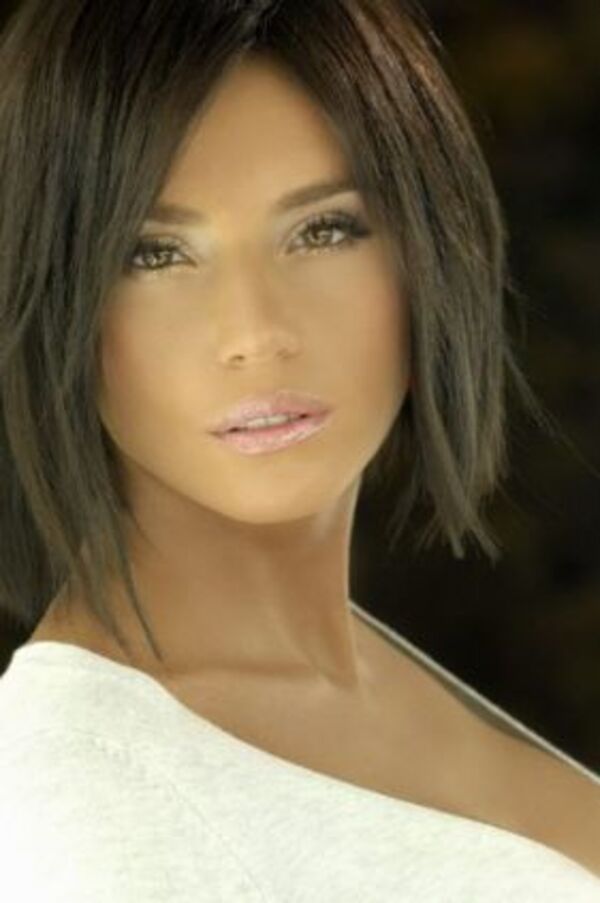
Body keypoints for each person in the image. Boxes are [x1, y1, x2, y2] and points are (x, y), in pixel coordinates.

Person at [0, 1, 598, 899]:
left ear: (430, 250)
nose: (256, 333)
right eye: (154, 254)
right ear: (53, 294)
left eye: (322, 230)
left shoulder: (359, 670)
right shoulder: (84, 800)